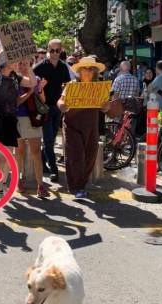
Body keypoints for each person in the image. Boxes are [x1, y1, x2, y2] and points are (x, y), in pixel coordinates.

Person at [0, 51, 36, 196]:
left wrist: (29, 66)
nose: (17, 61)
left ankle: (3, 183)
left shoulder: (15, 78)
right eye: (14, 59)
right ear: (5, 61)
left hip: (11, 118)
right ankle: (0, 187)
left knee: (8, 156)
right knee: (0, 157)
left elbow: (32, 82)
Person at [57, 56, 106, 199]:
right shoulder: (71, 85)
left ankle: (81, 185)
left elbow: (105, 106)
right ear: (79, 70)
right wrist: (62, 105)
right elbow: (60, 100)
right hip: (72, 126)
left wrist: (106, 106)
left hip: (91, 127)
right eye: (85, 68)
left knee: (90, 156)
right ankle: (76, 187)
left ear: (95, 72)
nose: (88, 71)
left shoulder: (99, 87)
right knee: (76, 155)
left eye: (91, 69)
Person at [33, 39, 72, 183]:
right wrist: (39, 88)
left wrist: (65, 97)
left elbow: (67, 84)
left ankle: (43, 162)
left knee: (52, 138)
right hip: (44, 108)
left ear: (61, 50)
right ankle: (54, 169)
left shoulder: (63, 66)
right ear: (48, 50)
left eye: (57, 50)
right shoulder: (39, 67)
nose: (54, 53)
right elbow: (31, 85)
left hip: (57, 107)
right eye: (52, 50)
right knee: (48, 139)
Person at [15, 59, 49, 198]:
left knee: (36, 152)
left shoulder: (36, 78)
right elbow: (16, 101)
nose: (23, 66)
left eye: (25, 63)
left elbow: (43, 100)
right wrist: (29, 92)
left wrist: (39, 89)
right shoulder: (14, 79)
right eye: (20, 64)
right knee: (19, 152)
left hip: (34, 118)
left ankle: (40, 185)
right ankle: (18, 181)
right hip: (18, 117)